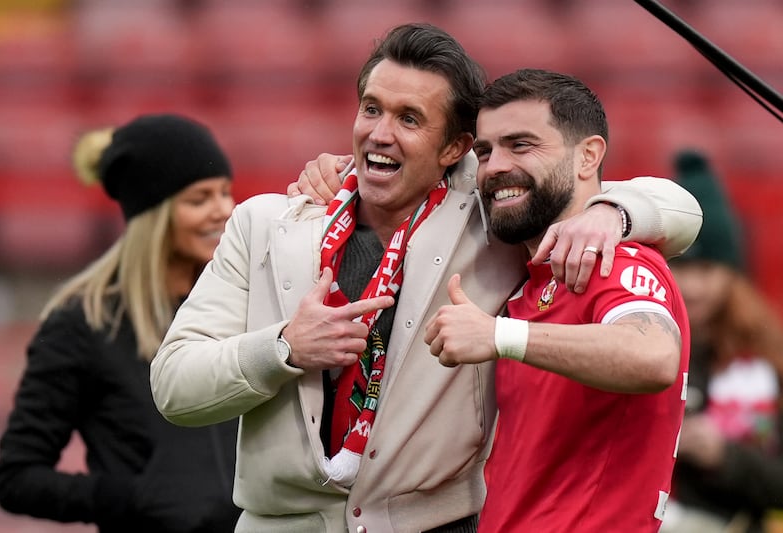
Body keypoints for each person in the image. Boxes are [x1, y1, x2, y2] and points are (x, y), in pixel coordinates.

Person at [150, 24, 701, 532]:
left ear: (454, 149)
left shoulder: (493, 217)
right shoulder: (268, 223)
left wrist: (613, 210)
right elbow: (175, 385)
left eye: (409, 119)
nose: (380, 134)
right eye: (371, 109)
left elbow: (678, 210)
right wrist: (283, 348)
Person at [423, 68, 690, 532]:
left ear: (588, 157)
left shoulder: (615, 262)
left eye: (521, 145)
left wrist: (498, 334)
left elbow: (654, 356)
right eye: (484, 152)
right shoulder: (533, 281)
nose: (495, 166)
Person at [0, 114, 241, 533]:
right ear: (153, 215)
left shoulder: (240, 302)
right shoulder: (82, 322)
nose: (225, 211)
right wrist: (134, 497)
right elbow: (17, 478)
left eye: (225, 193)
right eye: (200, 199)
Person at [661, 150, 783, 533]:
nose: (693, 286)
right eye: (681, 268)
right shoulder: (639, 339)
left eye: (707, 269)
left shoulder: (768, 357)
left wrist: (723, 456)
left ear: (732, 274)